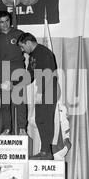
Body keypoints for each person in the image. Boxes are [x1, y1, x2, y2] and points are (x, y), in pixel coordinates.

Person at [17, 32, 60, 160]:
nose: (22, 50)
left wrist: (41, 92)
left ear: (28, 43)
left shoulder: (44, 53)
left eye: (22, 46)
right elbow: (29, 75)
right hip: (43, 88)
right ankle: (45, 151)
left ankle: (47, 152)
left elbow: (47, 73)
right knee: (40, 119)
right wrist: (16, 84)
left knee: (45, 119)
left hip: (48, 88)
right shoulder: (32, 56)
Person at [0, 10, 27, 136]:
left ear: (10, 20)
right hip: (3, 69)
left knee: (19, 99)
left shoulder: (19, 34)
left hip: (18, 67)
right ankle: (7, 129)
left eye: (7, 21)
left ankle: (22, 128)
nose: (5, 24)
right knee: (5, 101)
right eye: (1, 22)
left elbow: (29, 49)